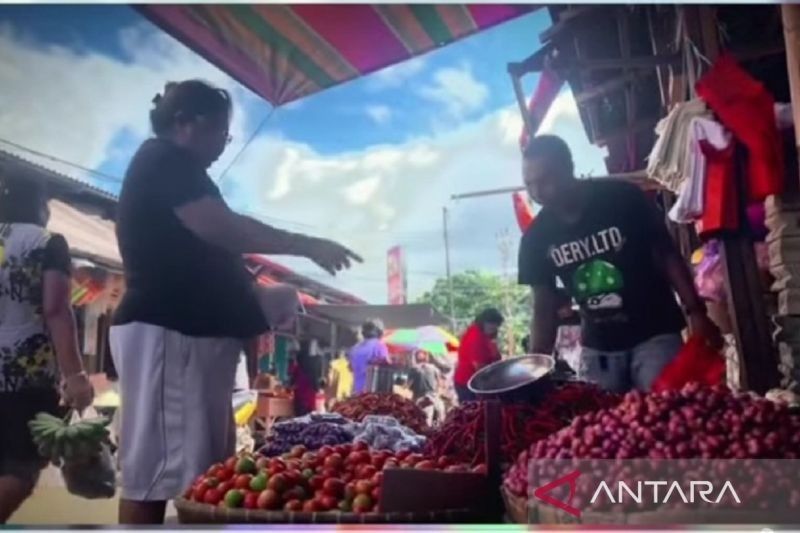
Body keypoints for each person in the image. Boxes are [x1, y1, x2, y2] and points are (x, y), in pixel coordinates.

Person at [110, 79, 361, 524]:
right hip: (172, 334)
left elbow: (212, 249)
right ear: (186, 122)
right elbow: (223, 228)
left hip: (190, 339)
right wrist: (307, 244)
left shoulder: (181, 169)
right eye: (221, 134)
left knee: (205, 476)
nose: (224, 145)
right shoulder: (165, 160)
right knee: (155, 475)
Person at [517, 135, 723, 394]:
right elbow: (543, 305)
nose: (537, 193)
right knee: (605, 427)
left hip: (655, 336)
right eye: (530, 184)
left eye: (545, 180)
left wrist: (696, 312)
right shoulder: (536, 239)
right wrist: (537, 367)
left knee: (664, 418)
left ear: (567, 167)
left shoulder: (622, 198)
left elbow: (666, 254)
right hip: (598, 350)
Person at [0, 175, 93, 523]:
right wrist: (76, 375)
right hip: (26, 376)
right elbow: (56, 309)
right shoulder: (47, 243)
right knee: (21, 469)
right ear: (41, 207)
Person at [453, 308, 504, 402]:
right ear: (482, 322)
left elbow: (495, 356)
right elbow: (480, 368)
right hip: (468, 384)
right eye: (490, 323)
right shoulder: (476, 337)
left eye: (496, 325)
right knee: (473, 413)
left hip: (473, 382)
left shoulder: (484, 335)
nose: (493, 327)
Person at [347, 319, 390, 394]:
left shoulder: (354, 348)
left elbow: (350, 368)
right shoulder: (379, 346)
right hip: (372, 393)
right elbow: (386, 365)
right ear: (379, 332)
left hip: (356, 390)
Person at [407, 350, 445, 426]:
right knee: (441, 418)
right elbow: (441, 384)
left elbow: (408, 385)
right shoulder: (434, 368)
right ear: (427, 357)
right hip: (433, 398)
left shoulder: (413, 369)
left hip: (419, 398)